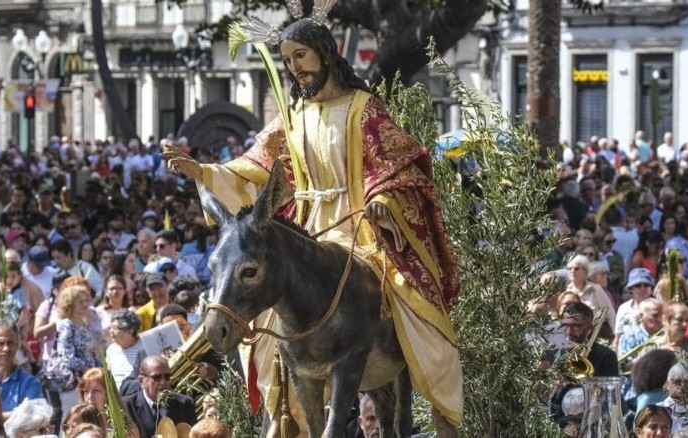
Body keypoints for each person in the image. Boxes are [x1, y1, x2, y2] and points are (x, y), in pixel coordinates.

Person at [162, 12, 463, 432]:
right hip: (308, 227)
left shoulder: (363, 110)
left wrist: (382, 199)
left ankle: (438, 396)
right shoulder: (294, 117)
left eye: (300, 56)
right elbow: (254, 168)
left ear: (324, 53)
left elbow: (399, 165)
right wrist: (205, 172)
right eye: (288, 60)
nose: (295, 67)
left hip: (361, 230)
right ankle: (284, 418)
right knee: (265, 320)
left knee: (413, 304)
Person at [44, 283, 102, 415]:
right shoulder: (67, 325)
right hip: (71, 382)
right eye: (80, 302)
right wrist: (87, 369)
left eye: (86, 300)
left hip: (86, 380)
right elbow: (66, 356)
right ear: (70, 304)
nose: (85, 304)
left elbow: (91, 353)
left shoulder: (84, 324)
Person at [123, 355, 196, 438]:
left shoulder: (185, 403)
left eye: (167, 377)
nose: (163, 382)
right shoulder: (126, 406)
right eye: (157, 377)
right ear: (141, 380)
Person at [76, 368, 140, 438]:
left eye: (96, 391)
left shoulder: (127, 430)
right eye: (86, 391)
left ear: (108, 394)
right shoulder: (76, 425)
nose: (90, 397)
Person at [614, 268, 656, 347]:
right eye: (638, 285)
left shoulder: (660, 308)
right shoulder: (623, 308)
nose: (643, 288)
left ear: (651, 288)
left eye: (646, 285)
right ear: (631, 289)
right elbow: (618, 338)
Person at [105, 309, 145, 387]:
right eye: (110, 328)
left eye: (115, 328)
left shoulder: (144, 347)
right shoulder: (111, 350)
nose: (111, 331)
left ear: (130, 331)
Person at [96, 275, 129, 344]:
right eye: (111, 289)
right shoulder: (97, 312)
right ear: (106, 292)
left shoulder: (129, 313)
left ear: (125, 291)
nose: (115, 291)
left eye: (119, 288)